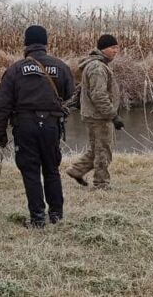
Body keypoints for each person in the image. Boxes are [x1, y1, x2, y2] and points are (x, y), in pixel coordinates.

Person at [0, 25, 74, 228]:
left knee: (30, 171)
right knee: (51, 169)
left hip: (25, 126)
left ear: (26, 44)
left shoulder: (15, 69)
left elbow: (2, 106)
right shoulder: (61, 66)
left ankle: (37, 218)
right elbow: (70, 95)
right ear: (46, 43)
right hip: (51, 125)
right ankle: (56, 214)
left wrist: (0, 135)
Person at [66, 34, 123, 190]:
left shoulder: (98, 65)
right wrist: (113, 115)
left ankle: (77, 170)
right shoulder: (97, 67)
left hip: (95, 115)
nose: (115, 51)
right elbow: (99, 95)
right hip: (99, 116)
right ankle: (101, 184)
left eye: (117, 48)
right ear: (103, 49)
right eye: (112, 47)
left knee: (98, 148)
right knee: (103, 150)